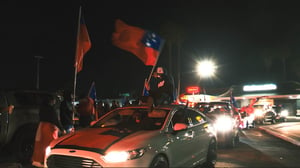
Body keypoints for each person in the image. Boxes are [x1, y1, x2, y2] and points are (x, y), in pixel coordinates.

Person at [32, 94, 66, 168]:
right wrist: (62, 129)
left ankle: (37, 160)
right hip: (50, 128)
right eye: (53, 100)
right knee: (50, 144)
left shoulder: (42, 108)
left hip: (41, 127)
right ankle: (47, 161)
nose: (54, 101)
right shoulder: (51, 109)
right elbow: (56, 120)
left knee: (40, 144)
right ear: (50, 101)